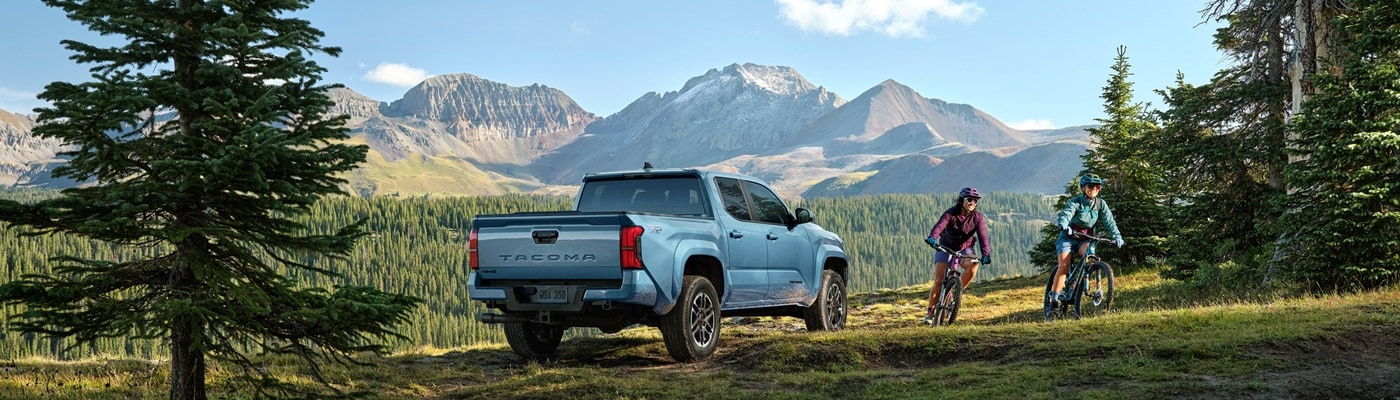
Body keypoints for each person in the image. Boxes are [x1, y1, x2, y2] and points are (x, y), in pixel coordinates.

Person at [1048, 173, 1125, 307]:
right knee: (1064, 266)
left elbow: (1110, 222)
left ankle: (1085, 285)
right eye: (1091, 186)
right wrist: (1064, 225)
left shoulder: (1100, 204)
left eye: (1097, 186)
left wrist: (1117, 236)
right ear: (1083, 188)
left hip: (1085, 238)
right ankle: (1054, 297)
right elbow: (1066, 214)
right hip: (1068, 238)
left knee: (1090, 257)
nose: (1094, 189)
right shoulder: (1076, 202)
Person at [922, 187, 991, 324]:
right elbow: (939, 226)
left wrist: (986, 254)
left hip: (965, 248)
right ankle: (930, 312)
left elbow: (983, 237)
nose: (972, 203)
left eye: (975, 200)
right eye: (969, 199)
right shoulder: (951, 213)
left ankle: (956, 293)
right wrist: (932, 237)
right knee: (938, 280)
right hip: (946, 247)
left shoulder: (977, 218)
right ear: (962, 200)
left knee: (973, 266)